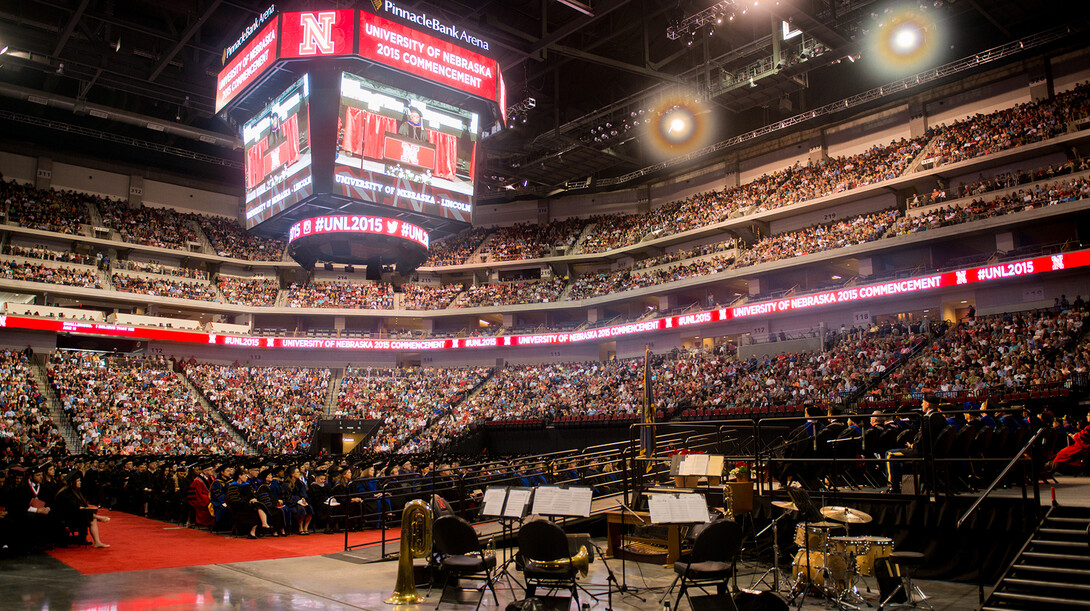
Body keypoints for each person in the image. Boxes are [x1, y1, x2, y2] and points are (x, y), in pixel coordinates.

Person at [884, 395, 949, 493]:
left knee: (889, 454)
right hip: (933, 451)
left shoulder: (929, 418)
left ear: (927, 404)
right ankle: (905, 485)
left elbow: (924, 438)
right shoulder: (940, 417)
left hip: (923, 451)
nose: (922, 404)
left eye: (923, 402)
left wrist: (913, 445)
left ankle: (893, 487)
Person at [53, 472, 110, 548]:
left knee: (90, 517)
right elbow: (74, 508)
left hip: (73, 514)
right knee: (90, 518)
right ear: (72, 482)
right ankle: (97, 520)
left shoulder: (75, 491)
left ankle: (97, 539)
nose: (80, 482)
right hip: (65, 517)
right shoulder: (66, 493)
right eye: (78, 481)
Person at [282, 466, 313, 535]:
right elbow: (287, 496)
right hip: (291, 502)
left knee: (309, 508)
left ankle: (306, 527)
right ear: (292, 474)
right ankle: (300, 527)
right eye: (297, 472)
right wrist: (298, 500)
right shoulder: (286, 484)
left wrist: (303, 499)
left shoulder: (301, 483)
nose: (299, 473)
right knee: (300, 509)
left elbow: (303, 493)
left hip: (300, 501)